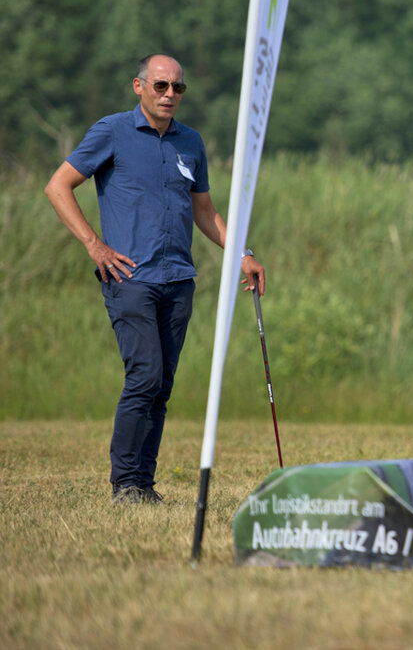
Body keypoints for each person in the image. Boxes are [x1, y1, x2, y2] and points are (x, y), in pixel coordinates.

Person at [44, 53, 265, 506]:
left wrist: (241, 253)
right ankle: (124, 482)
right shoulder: (112, 132)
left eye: (177, 88)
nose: (170, 95)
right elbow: (57, 186)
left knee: (161, 385)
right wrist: (94, 245)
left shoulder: (191, 142)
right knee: (144, 375)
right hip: (130, 279)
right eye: (161, 86)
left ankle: (143, 485)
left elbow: (204, 212)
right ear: (139, 86)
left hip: (178, 279)